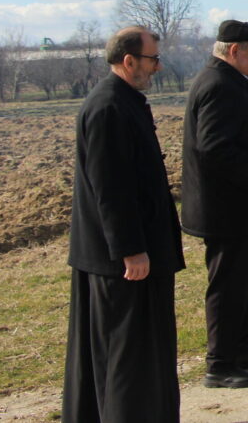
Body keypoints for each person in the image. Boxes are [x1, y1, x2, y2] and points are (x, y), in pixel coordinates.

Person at [63, 26, 185, 422]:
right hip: (121, 263)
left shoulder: (126, 100)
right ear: (129, 60)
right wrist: (131, 250)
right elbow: (110, 189)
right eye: (152, 59)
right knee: (125, 355)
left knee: (139, 352)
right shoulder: (108, 108)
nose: (158, 66)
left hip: (134, 253)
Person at [182, 20, 248, 389]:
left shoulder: (229, 81)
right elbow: (214, 147)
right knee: (226, 284)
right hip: (222, 209)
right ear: (234, 51)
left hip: (236, 207)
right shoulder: (218, 86)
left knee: (241, 281)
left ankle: (240, 347)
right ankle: (220, 364)